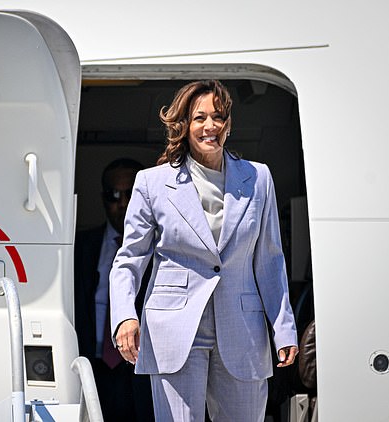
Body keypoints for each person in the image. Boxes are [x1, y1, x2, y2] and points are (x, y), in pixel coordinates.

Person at [109, 80, 298, 421]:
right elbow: (130, 259)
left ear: (228, 124)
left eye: (219, 116)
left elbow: (270, 260)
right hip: (174, 327)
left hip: (242, 327)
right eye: (200, 117)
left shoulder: (259, 178)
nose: (211, 125)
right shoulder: (151, 182)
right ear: (183, 124)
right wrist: (125, 315)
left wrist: (283, 328)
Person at [74, 158, 154, 421]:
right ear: (102, 198)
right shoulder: (81, 247)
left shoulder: (162, 249)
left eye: (130, 194)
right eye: (114, 194)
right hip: (92, 366)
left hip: (143, 368)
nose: (122, 203)